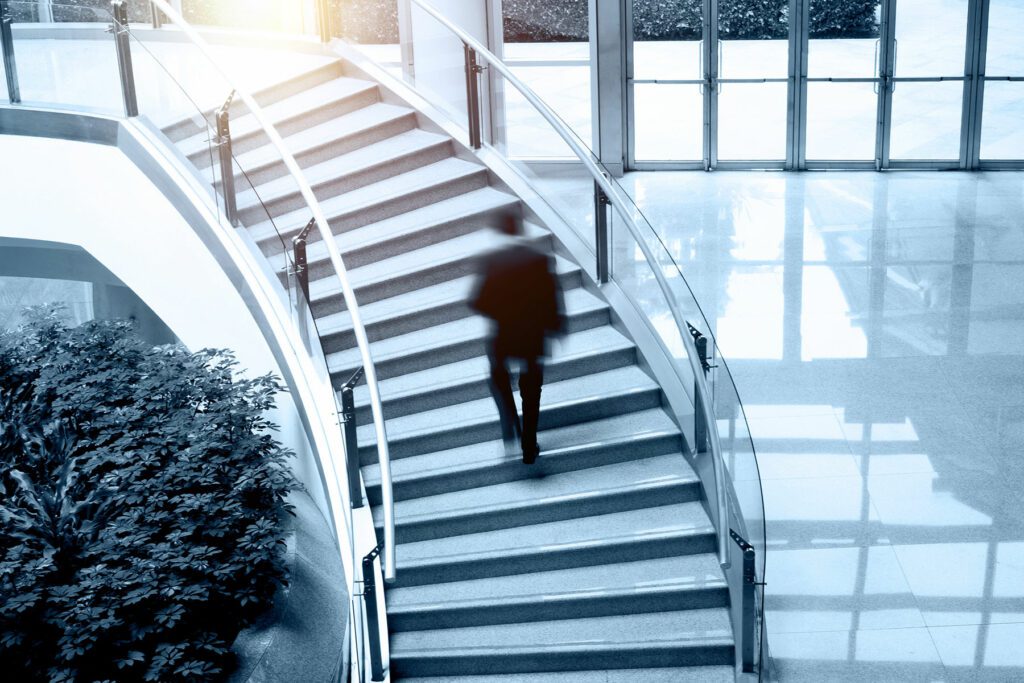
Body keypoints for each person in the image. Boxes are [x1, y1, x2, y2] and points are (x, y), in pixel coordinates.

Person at [470, 210, 565, 464]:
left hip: (504, 334)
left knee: (499, 378)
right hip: (533, 335)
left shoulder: (492, 261)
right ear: (520, 229)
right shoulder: (539, 259)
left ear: (501, 230)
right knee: (532, 391)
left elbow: (476, 301)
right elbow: (552, 298)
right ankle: (528, 443)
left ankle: (510, 423)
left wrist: (501, 312)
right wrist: (556, 327)